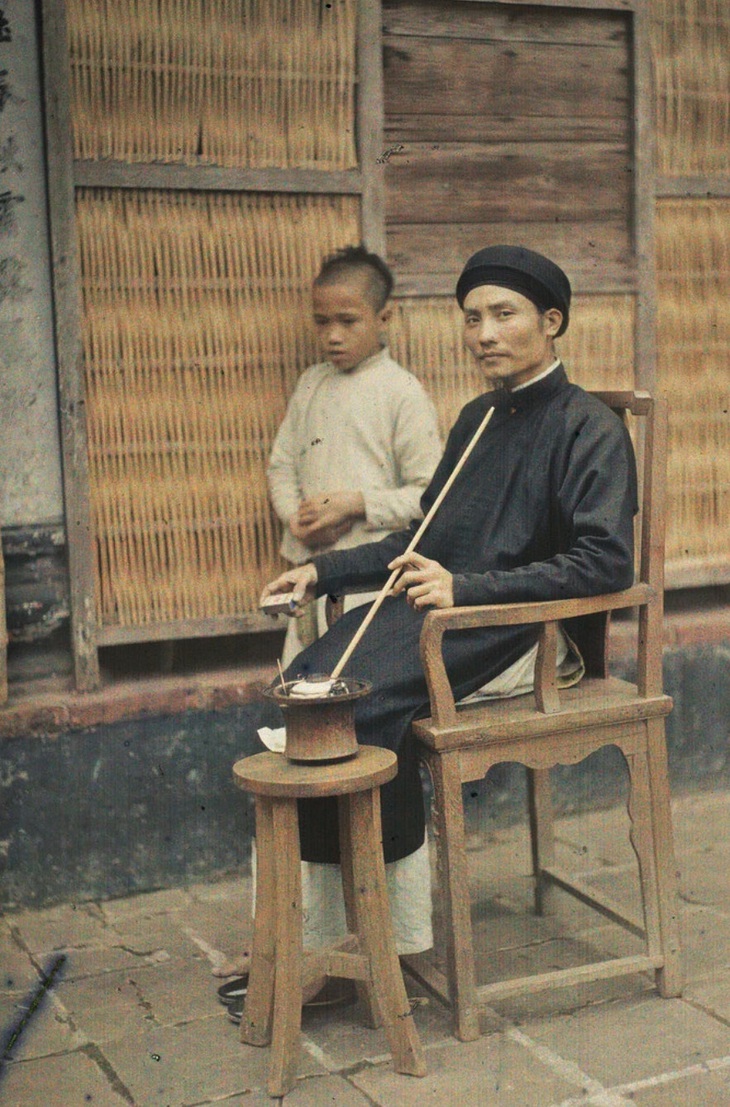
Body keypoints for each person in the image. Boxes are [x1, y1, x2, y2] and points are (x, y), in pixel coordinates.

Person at [224, 244, 638, 1019]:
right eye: (472, 317)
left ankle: (388, 939)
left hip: (526, 636)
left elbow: (605, 561)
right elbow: (422, 538)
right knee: (312, 686)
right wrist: (326, 572)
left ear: (552, 322)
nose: (484, 332)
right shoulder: (481, 417)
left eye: (504, 314)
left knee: (356, 707)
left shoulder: (589, 427)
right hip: (449, 615)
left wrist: (468, 585)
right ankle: (311, 931)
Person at [266, 244, 442, 666]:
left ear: (384, 318)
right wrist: (295, 518)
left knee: (355, 676)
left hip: (372, 579)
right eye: (322, 321)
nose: (333, 335)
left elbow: (428, 495)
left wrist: (356, 504)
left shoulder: (402, 393)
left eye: (348, 321)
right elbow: (282, 464)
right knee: (303, 676)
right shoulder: (311, 383)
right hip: (309, 571)